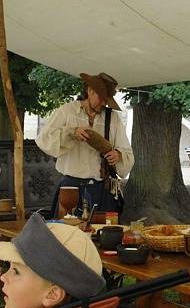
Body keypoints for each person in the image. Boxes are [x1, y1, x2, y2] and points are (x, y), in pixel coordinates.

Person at [36, 72, 133, 217]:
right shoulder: (67, 112)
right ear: (90, 90)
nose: (103, 103)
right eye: (101, 98)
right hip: (70, 189)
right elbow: (43, 139)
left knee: (101, 236)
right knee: (68, 235)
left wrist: (118, 155)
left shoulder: (112, 118)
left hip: (101, 189)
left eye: (107, 99)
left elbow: (127, 151)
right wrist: (71, 132)